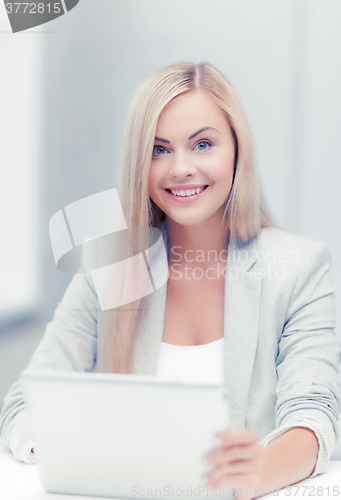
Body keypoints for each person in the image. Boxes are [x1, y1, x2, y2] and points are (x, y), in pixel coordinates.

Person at [1, 62, 340, 500]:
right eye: (159, 150)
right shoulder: (111, 266)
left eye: (202, 144)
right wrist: (80, 452)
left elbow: (314, 418)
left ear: (237, 151)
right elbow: (22, 405)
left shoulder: (299, 267)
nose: (180, 168)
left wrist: (258, 471)